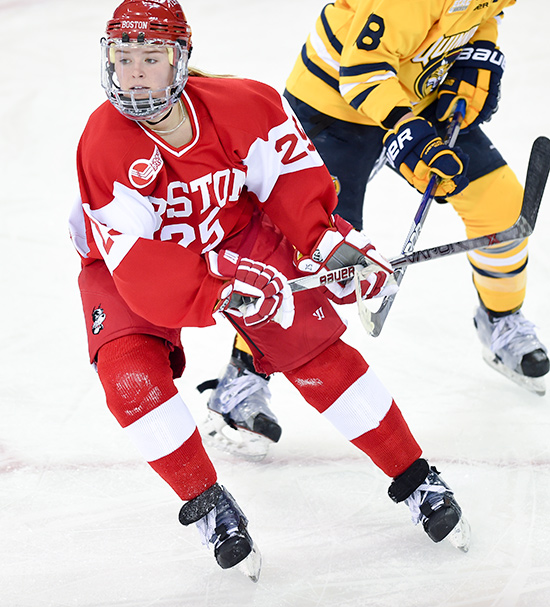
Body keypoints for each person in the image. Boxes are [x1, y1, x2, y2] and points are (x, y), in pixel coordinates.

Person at [70, 0, 471, 580]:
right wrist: (225, 290)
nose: (132, 72)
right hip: (133, 263)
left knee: (317, 355)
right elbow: (135, 261)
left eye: (149, 58)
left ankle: (416, 480)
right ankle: (209, 505)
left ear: (180, 60)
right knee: (129, 374)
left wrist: (336, 250)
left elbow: (293, 190)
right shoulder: (104, 141)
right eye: (122, 56)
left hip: (236, 232)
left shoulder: (247, 106)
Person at [206, 0, 549, 458]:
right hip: (334, 109)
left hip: (416, 93)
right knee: (314, 250)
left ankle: (500, 320)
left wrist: (476, 59)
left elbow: (481, 16)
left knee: (503, 208)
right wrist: (406, 131)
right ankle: (243, 375)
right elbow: (361, 70)